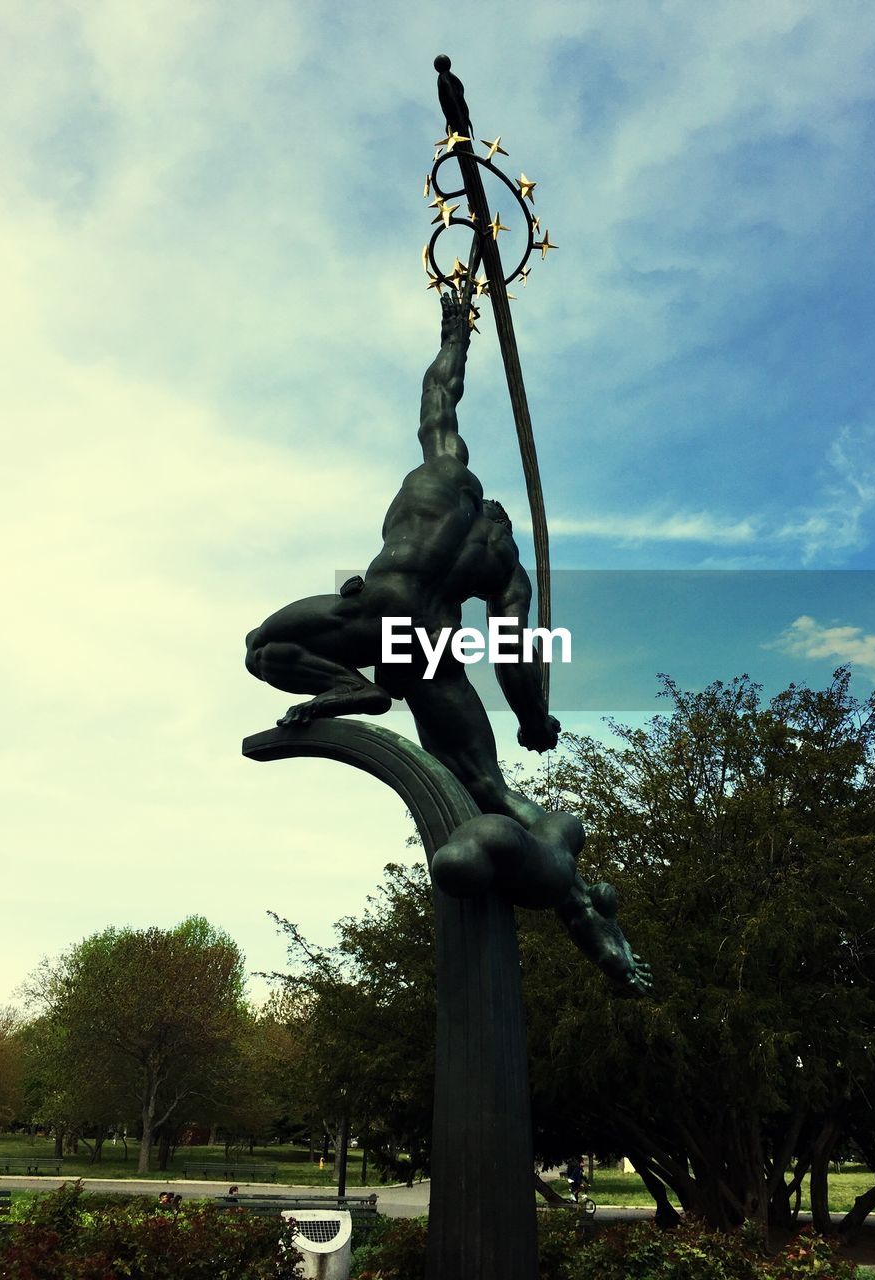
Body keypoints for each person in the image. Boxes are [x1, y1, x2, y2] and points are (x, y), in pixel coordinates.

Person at [246, 291, 651, 995]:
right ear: (502, 522)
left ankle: (350, 684)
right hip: (429, 644)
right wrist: (534, 720)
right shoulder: (506, 568)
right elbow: (515, 654)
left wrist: (456, 333)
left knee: (263, 647)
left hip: (375, 610)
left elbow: (438, 396)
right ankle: (584, 906)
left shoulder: (441, 472)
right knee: (485, 784)